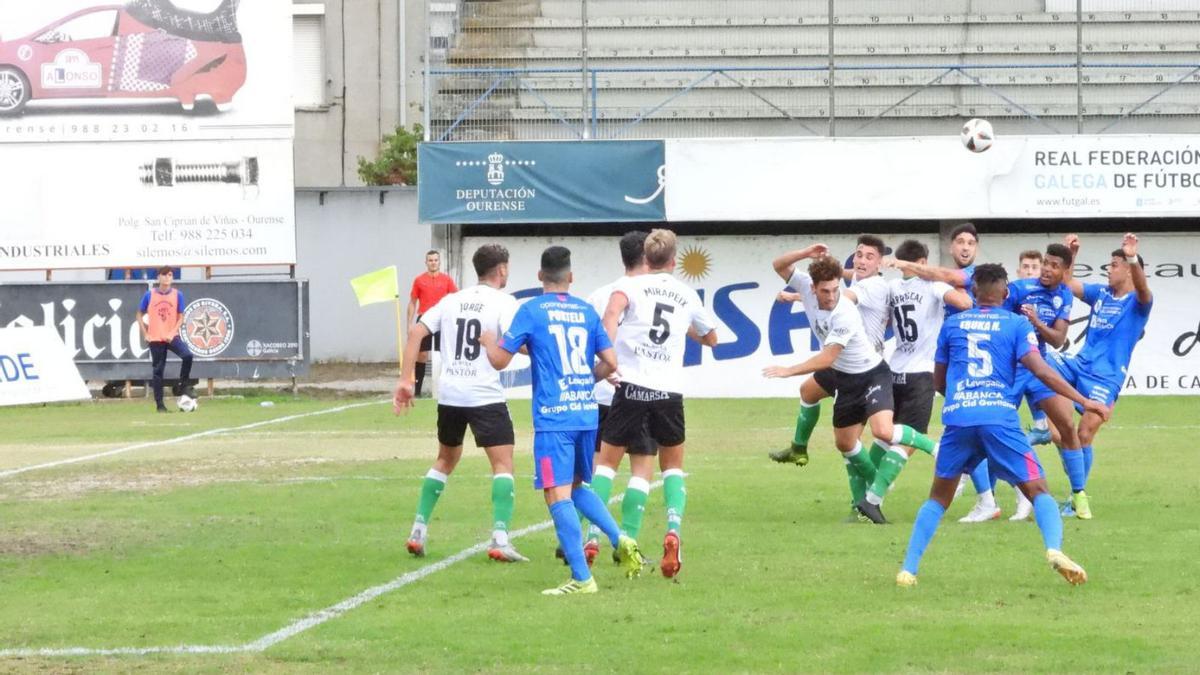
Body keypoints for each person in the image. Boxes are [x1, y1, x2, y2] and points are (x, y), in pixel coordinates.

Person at [896, 263, 1110, 588]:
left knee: (938, 498)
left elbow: (939, 380)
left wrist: (962, 399)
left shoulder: (952, 325)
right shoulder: (1016, 324)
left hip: (959, 417)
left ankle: (908, 570)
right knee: (1039, 491)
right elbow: (1043, 372)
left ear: (973, 291)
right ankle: (1054, 549)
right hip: (999, 417)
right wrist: (1086, 399)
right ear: (1006, 292)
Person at [480, 245, 644, 596]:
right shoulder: (586, 311)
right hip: (585, 413)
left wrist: (488, 341)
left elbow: (499, 361)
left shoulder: (532, 310)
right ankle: (621, 538)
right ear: (571, 278)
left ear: (540, 276)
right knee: (577, 486)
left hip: (554, 418)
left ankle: (582, 579)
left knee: (556, 495)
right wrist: (587, 378)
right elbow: (612, 362)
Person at [764, 247, 937, 525]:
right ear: (813, 287)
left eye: (835, 290)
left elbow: (827, 357)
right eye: (826, 292)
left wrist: (789, 370)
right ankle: (867, 500)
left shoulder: (844, 311)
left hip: (872, 374)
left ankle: (935, 448)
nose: (832, 297)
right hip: (845, 379)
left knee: (883, 430)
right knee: (845, 444)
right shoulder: (806, 289)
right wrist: (807, 251)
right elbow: (778, 263)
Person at [394, 244, 526, 563]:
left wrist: (406, 379)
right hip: (484, 395)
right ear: (502, 270)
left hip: (451, 395)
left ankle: (418, 530)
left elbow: (415, 333)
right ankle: (500, 538)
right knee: (503, 465)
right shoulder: (505, 303)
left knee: (445, 460)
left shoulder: (451, 301)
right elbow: (518, 344)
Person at [599, 229, 719, 578]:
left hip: (631, 386)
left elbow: (611, 312)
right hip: (668, 392)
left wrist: (608, 355)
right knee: (672, 468)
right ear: (674, 259)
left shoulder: (630, 287)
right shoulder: (686, 294)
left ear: (645, 258)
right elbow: (711, 337)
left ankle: (593, 537)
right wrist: (689, 330)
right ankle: (672, 530)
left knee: (606, 464)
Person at [890, 223, 997, 517]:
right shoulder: (934, 283)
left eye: (970, 243)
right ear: (951, 247)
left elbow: (948, 277)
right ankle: (985, 495)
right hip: (950, 363)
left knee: (973, 429)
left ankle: (1000, 496)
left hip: (973, 364)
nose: (965, 247)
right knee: (966, 429)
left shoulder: (974, 275)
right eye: (960, 242)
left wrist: (907, 265)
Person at [1052, 233, 1153, 519]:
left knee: (1084, 433)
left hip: (1106, 379)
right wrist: (1071, 256)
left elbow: (1143, 288)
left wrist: (1132, 257)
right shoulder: (1101, 293)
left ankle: (1077, 498)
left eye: (1114, 264)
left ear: (1130, 270)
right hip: (1078, 365)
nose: (1109, 269)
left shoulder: (1139, 302)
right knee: (1040, 364)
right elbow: (1067, 283)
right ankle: (1041, 424)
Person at [768, 234, 891, 468]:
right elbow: (780, 265)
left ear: (880, 263)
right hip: (840, 361)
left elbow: (839, 298)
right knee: (808, 391)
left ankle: (875, 486)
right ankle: (799, 448)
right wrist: (806, 254)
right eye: (858, 254)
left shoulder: (872, 286)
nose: (861, 261)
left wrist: (798, 296)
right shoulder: (854, 279)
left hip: (863, 367)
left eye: (869, 257)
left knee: (850, 443)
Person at [582, 231, 657, 562]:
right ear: (647, 255)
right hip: (640, 391)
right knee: (641, 469)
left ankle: (592, 536)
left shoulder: (599, 295)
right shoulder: (657, 294)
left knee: (601, 467)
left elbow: (585, 343)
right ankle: (628, 539)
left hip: (600, 394)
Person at [996, 244, 1082, 524]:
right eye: (1046, 263)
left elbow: (1057, 339)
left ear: (1064, 271)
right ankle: (999, 500)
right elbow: (999, 318)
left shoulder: (1064, 295)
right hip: (1012, 369)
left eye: (1054, 265)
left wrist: (1035, 321)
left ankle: (1079, 495)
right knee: (995, 429)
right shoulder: (1021, 289)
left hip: (1039, 368)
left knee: (1067, 427)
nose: (1046, 268)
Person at [884, 239, 972, 489]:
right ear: (922, 263)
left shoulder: (892, 287)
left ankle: (880, 480)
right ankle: (882, 482)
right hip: (922, 371)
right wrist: (959, 287)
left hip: (895, 369)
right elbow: (965, 304)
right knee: (912, 436)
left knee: (895, 433)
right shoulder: (933, 285)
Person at [136, 266, 194, 413]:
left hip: (171, 336)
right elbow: (139, 314)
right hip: (155, 338)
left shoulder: (177, 294)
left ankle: (183, 385)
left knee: (187, 355)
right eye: (164, 275)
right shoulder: (150, 295)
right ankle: (159, 404)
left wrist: (172, 332)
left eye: (169, 275)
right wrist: (145, 333)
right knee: (158, 371)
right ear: (158, 278)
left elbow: (181, 317)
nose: (167, 277)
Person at [1017, 250, 1054, 448]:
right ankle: (1041, 427)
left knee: (1063, 427)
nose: (1030, 271)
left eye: (1034, 267)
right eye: (1026, 267)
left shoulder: (1051, 296)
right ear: (1018, 271)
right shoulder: (1011, 295)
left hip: (1038, 365)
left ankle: (1075, 470)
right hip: (1016, 365)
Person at [407, 250, 458, 397]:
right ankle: (417, 391)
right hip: (424, 319)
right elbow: (412, 302)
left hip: (443, 319)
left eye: (435, 260)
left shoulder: (447, 280)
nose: (433, 262)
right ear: (426, 262)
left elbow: (456, 298)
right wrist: (409, 324)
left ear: (439, 262)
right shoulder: (419, 280)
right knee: (422, 355)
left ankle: (447, 390)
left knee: (445, 353)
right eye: (430, 260)